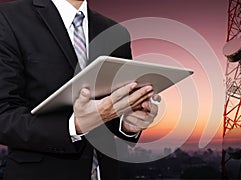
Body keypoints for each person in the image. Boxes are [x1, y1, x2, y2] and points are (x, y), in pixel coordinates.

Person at [0, 0, 159, 179]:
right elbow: (3, 115)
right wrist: (74, 126)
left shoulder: (115, 32)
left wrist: (127, 122)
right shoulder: (8, 18)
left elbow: (110, 109)